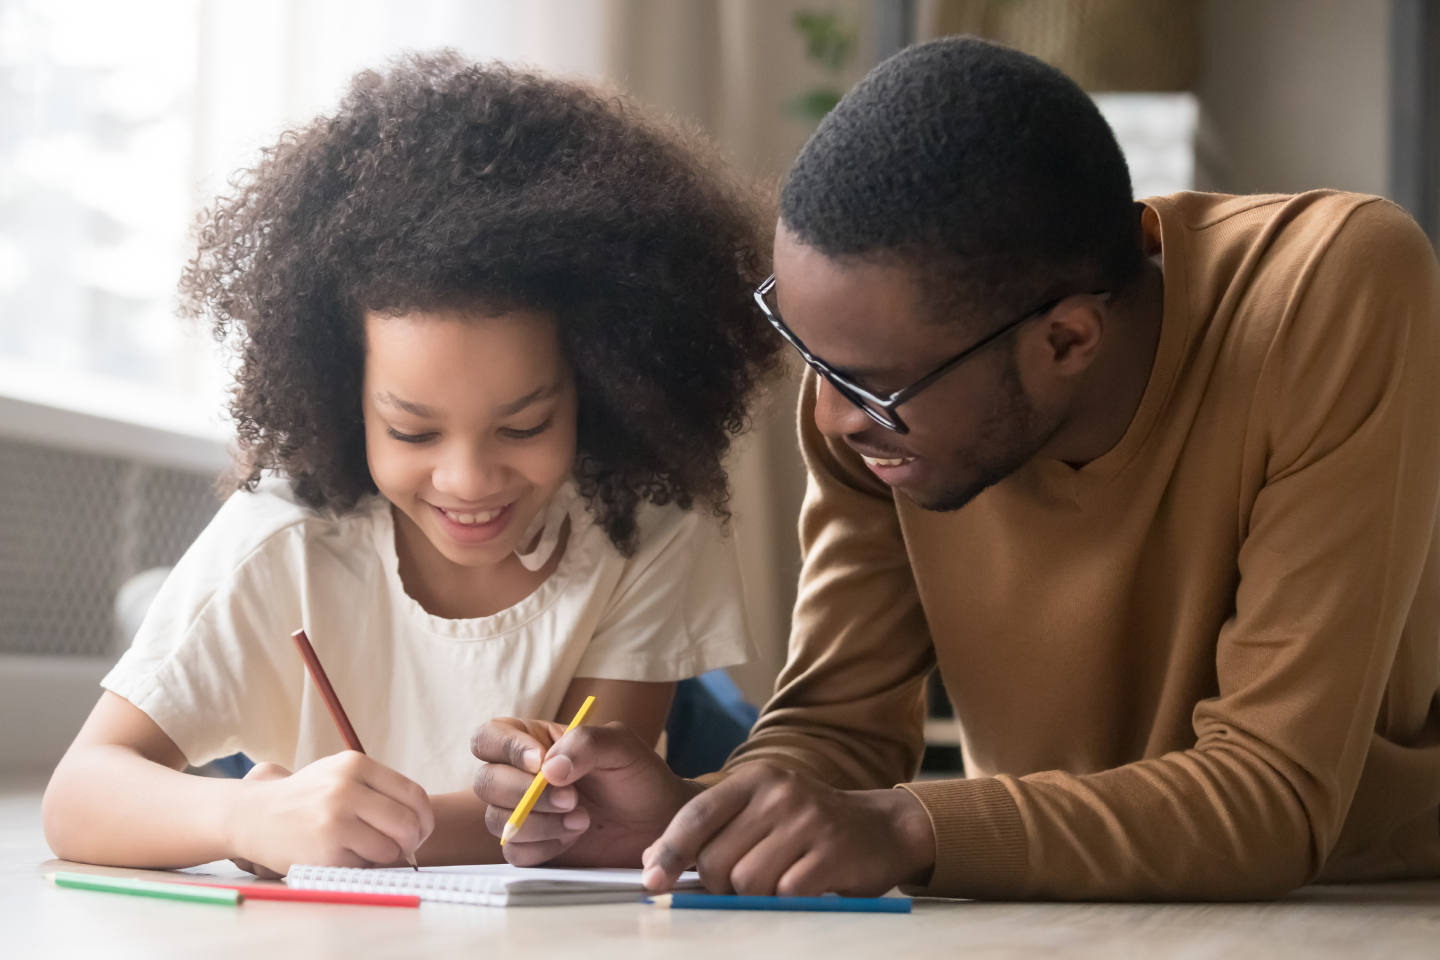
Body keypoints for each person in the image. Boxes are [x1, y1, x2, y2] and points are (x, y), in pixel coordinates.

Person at [471, 36, 1440, 900]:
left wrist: (904, 825)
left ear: (1067, 340)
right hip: (1054, 909)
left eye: (874, 384)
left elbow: (1269, 799)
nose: (834, 417)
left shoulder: (1325, 291)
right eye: (812, 358)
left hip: (1361, 909)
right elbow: (835, 737)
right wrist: (690, 815)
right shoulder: (871, 403)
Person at [42, 53, 779, 877]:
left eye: (525, 424)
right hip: (303, 694)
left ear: (602, 389)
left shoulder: (646, 523)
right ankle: (169, 615)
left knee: (730, 754)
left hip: (692, 722)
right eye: (414, 432)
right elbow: (79, 795)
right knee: (215, 728)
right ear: (342, 398)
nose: (468, 480)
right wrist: (248, 814)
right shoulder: (275, 538)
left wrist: (384, 828)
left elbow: (585, 815)